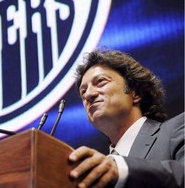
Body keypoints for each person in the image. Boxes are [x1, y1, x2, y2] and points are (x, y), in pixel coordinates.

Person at [68, 49, 184, 188]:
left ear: (135, 93)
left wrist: (121, 169)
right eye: (83, 91)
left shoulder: (178, 128)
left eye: (100, 81)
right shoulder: (95, 176)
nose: (88, 95)